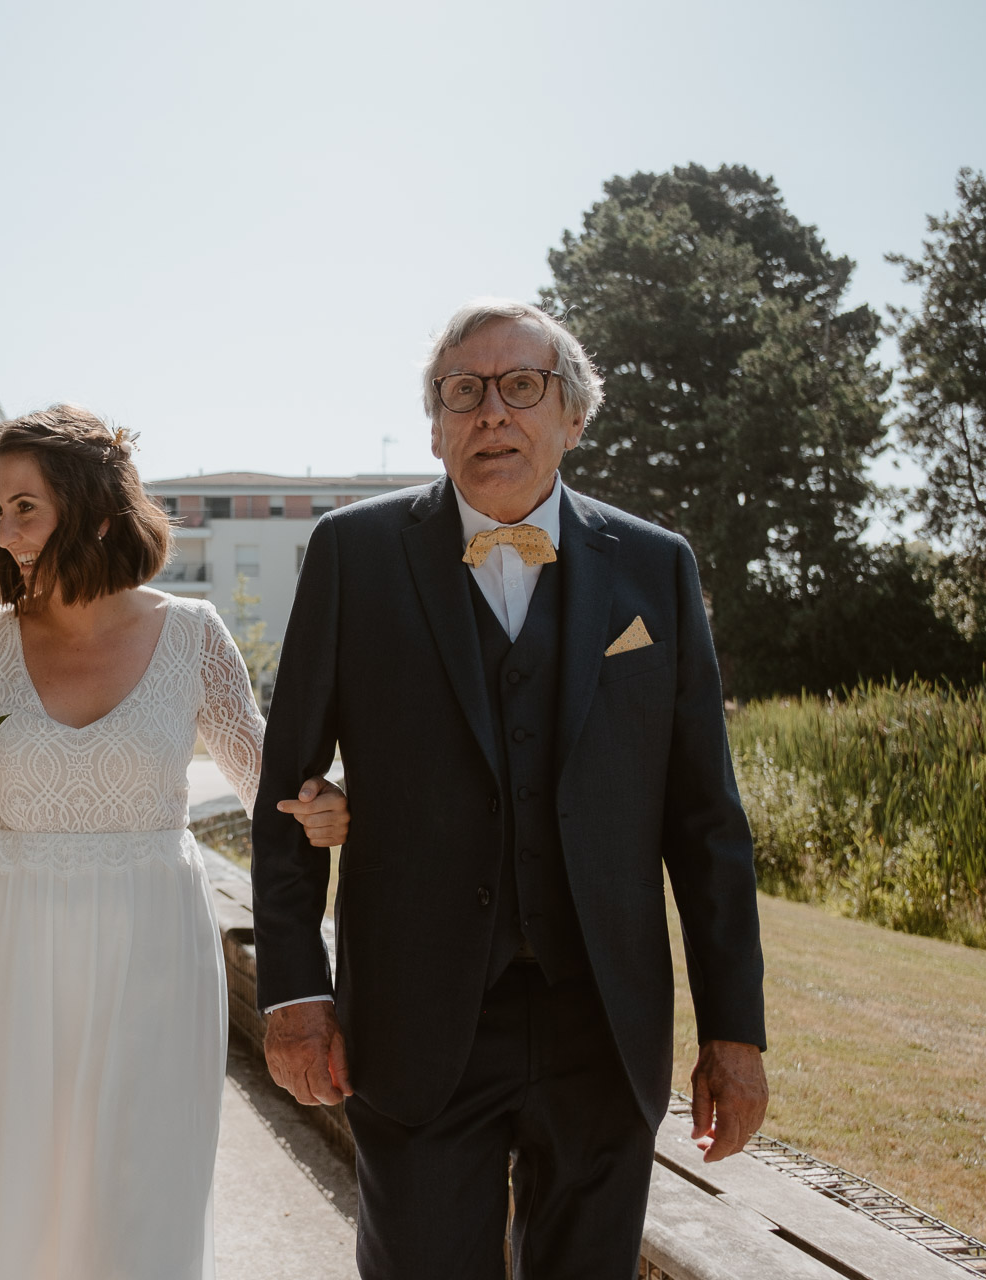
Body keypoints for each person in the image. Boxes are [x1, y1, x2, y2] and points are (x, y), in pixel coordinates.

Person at [253, 299, 771, 1279]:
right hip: (414, 1022)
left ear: (571, 416)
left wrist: (732, 1034)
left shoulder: (654, 567)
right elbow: (288, 790)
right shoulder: (352, 555)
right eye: (463, 390)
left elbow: (705, 820)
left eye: (519, 385)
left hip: (602, 1027)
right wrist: (292, 990)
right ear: (436, 425)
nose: (491, 411)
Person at [0, 407, 350, 1279]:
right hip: (10, 947)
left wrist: (325, 805)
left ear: (94, 511)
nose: (1, 531)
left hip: (151, 950)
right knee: (10, 1194)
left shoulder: (193, 634)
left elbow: (268, 785)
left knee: (140, 1200)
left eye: (24, 507)